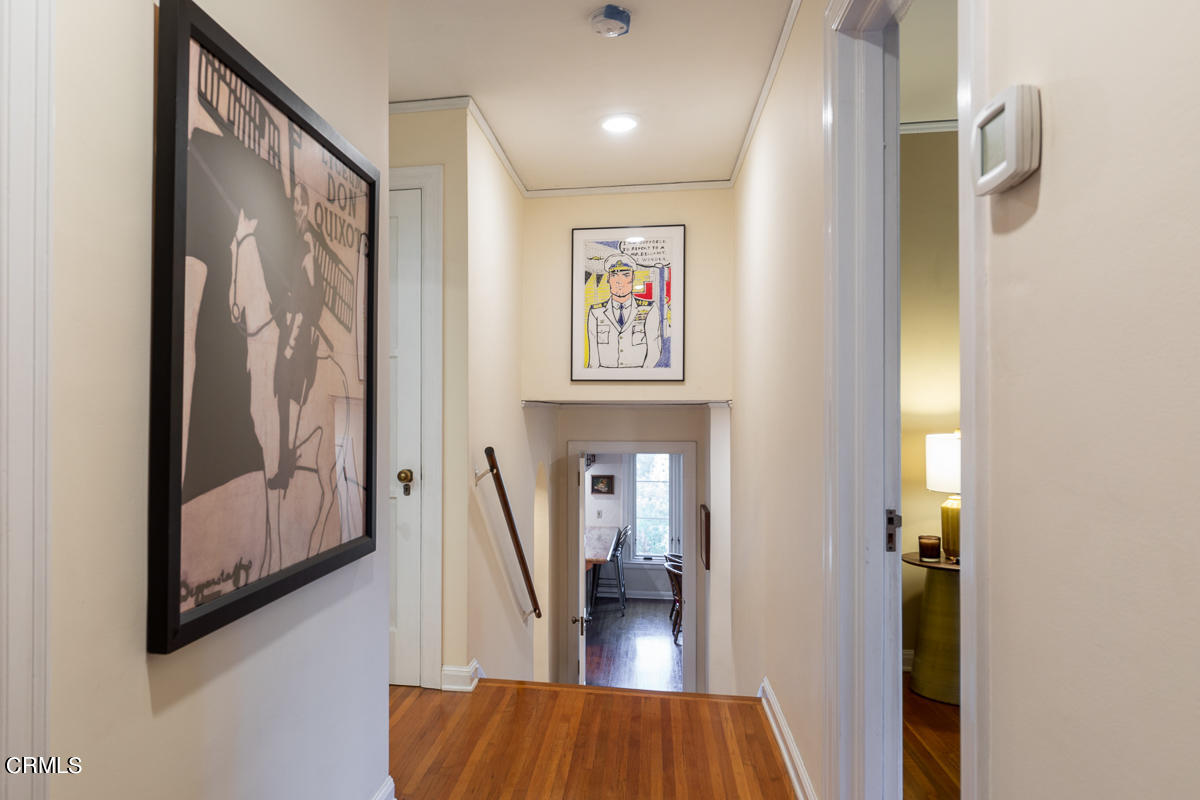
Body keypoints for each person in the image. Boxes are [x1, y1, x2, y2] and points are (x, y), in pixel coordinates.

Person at [268, 182, 323, 489]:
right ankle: (283, 462)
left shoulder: (305, 245)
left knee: (287, 394)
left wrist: (295, 334)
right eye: (294, 202)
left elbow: (312, 294)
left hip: (298, 332)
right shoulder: (294, 242)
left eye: (301, 202)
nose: (296, 207)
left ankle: (285, 466)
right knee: (280, 398)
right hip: (288, 324)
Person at [586, 253, 662, 369]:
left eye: (626, 275)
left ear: (633, 278)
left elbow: (654, 352)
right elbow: (593, 358)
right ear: (608, 279)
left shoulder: (649, 309)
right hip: (604, 377)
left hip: (639, 376)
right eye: (614, 275)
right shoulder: (596, 312)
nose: (619, 281)